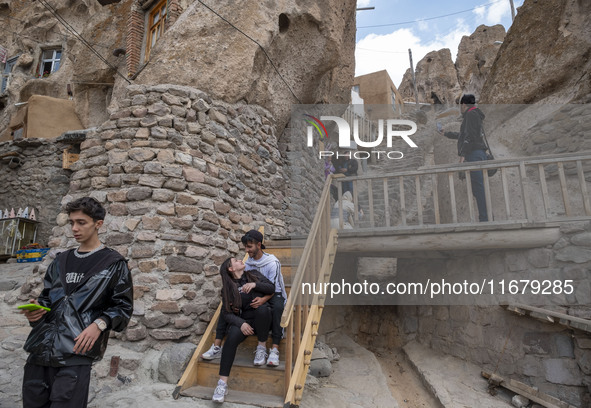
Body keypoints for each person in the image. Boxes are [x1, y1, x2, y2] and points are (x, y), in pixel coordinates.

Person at [21, 196, 133, 408]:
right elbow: (48, 297)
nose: (74, 228)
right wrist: (36, 311)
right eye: (72, 222)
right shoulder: (61, 260)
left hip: (76, 352)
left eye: (81, 222)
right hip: (39, 350)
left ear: (98, 224)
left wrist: (99, 324)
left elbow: (123, 308)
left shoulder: (113, 263)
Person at [202, 230, 287, 368]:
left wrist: (263, 299)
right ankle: (217, 346)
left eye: (249, 247)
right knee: (226, 306)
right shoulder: (248, 263)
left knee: (277, 307)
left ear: (259, 245)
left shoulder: (272, 262)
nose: (246, 251)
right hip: (258, 292)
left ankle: (275, 348)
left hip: (273, 293)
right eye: (245, 247)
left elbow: (273, 287)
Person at [211, 257, 275, 403]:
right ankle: (222, 384)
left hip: (263, 320)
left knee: (263, 309)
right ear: (231, 269)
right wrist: (241, 324)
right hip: (244, 322)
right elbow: (226, 313)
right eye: (236, 260)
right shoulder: (228, 288)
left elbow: (272, 288)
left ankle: (261, 347)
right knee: (232, 337)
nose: (240, 260)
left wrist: (254, 285)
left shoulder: (253, 274)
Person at [439, 94, 489, 222]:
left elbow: (469, 138)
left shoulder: (471, 115)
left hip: (474, 154)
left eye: (460, 105)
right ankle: (485, 217)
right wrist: (446, 133)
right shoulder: (474, 115)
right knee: (478, 188)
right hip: (478, 153)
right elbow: (463, 135)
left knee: (478, 188)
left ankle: (485, 219)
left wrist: (462, 155)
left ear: (464, 105)